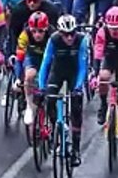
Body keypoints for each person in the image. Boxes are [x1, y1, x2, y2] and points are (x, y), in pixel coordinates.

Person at [38, 15, 89, 166]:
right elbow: (45, 64)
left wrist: (79, 88)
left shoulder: (81, 40)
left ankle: (76, 150)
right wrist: (41, 88)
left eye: (72, 33)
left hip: (74, 73)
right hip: (58, 71)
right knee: (50, 99)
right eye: (66, 34)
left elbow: (82, 66)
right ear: (60, 33)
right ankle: (56, 127)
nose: (69, 37)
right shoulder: (53, 40)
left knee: (76, 107)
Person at [15, 10, 51, 126]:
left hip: (48, 57)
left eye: (40, 31)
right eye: (34, 31)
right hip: (32, 57)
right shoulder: (24, 35)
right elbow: (19, 59)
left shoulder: (53, 35)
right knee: (30, 75)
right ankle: (29, 106)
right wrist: (18, 78)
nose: (37, 35)